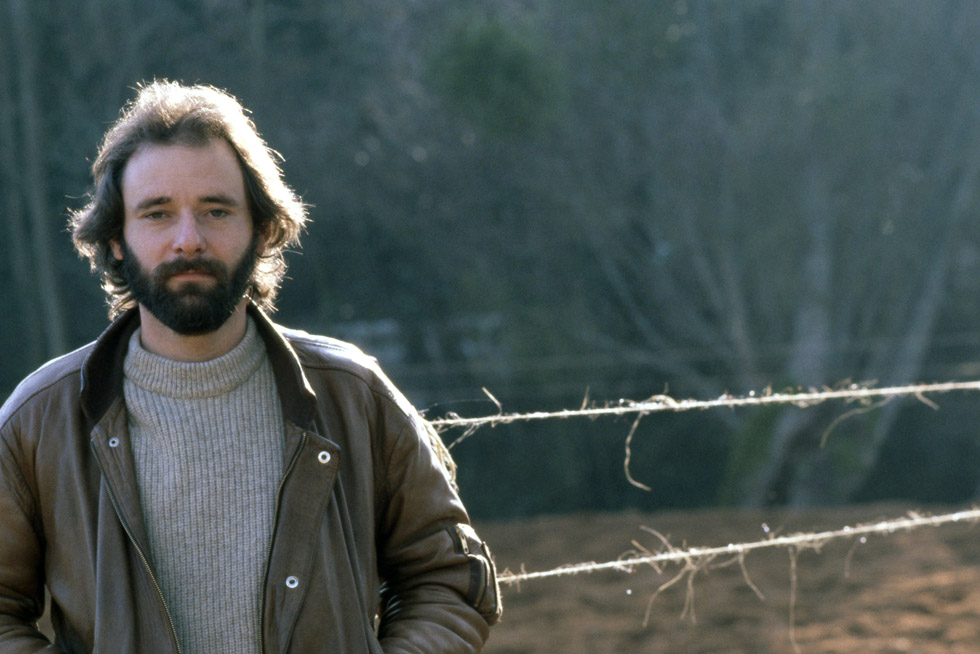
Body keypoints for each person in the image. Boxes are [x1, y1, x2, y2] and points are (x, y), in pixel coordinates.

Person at [0, 80, 501, 653]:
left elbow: (449, 582)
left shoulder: (354, 396)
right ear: (116, 240)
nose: (188, 240)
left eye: (216, 210)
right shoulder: (40, 421)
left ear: (262, 228)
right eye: (157, 214)